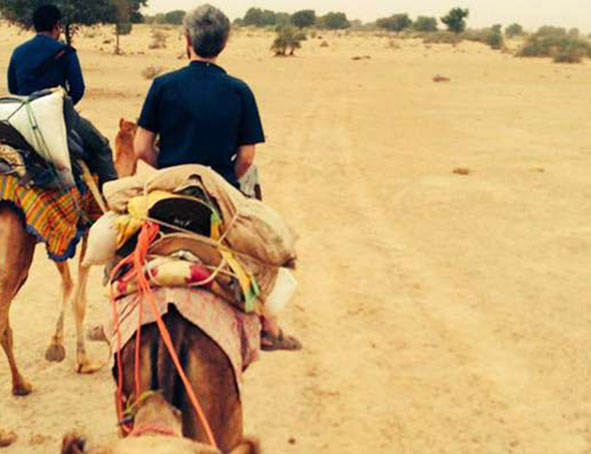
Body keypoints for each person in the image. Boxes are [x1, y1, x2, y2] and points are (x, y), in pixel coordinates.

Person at [135, 4, 300, 351]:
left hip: (170, 189)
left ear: (187, 40)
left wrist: (170, 171)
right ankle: (269, 326)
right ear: (224, 42)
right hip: (222, 192)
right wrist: (224, 181)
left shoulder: (163, 86)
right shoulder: (239, 90)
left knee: (123, 233)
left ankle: (111, 317)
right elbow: (247, 157)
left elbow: (140, 147)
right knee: (263, 252)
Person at [7, 4, 117, 189]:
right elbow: (78, 88)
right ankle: (111, 198)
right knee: (101, 146)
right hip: (57, 115)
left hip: (22, 118)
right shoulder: (65, 52)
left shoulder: (18, 52)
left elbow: (13, 88)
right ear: (57, 26)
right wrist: (63, 108)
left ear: (35, 26)